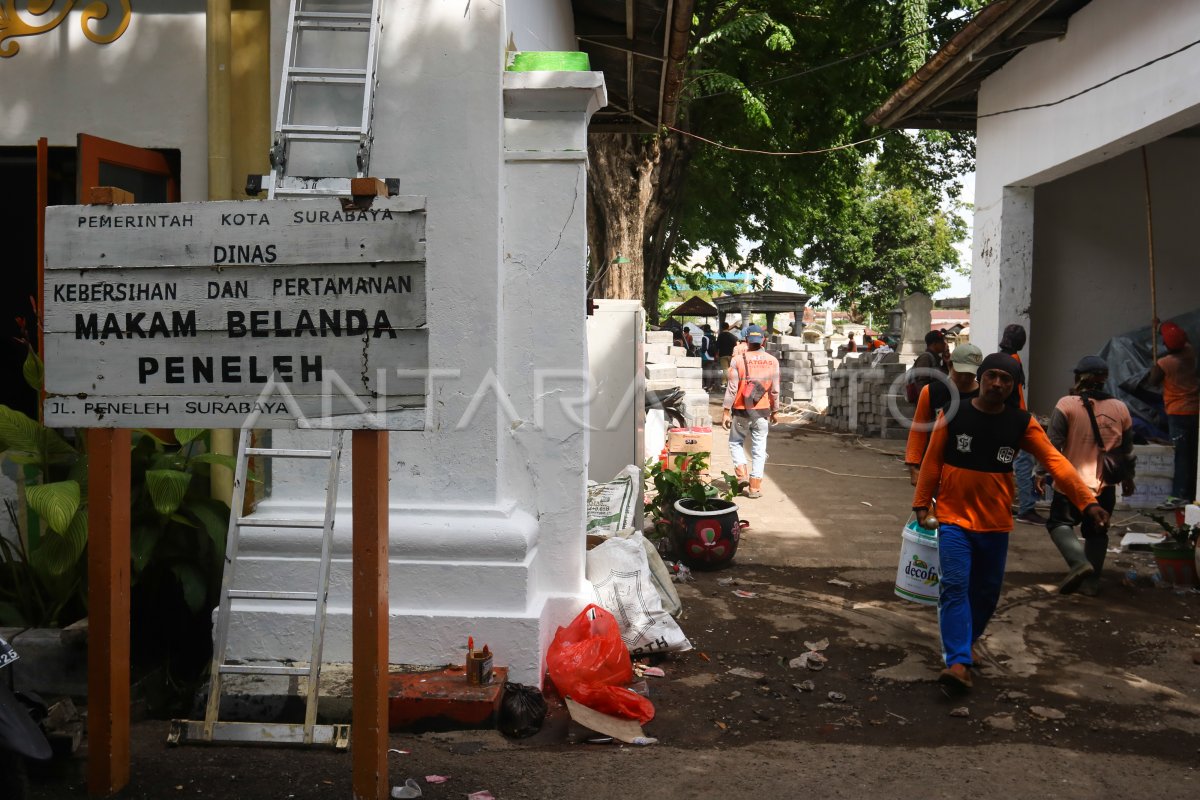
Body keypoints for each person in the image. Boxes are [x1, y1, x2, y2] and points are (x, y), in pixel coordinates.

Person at [913, 352, 1108, 692]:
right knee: (955, 587)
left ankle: (964, 644)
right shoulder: (953, 413)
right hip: (954, 519)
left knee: (986, 594)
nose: (998, 384)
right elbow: (932, 461)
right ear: (982, 377)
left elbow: (1056, 463)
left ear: (1013, 386)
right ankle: (958, 662)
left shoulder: (1021, 423)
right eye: (992, 377)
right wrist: (921, 503)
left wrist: (1086, 502)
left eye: (1006, 380)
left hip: (995, 524)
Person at [1039, 355, 1134, 596]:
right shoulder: (1121, 408)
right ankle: (1091, 584)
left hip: (1070, 483)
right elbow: (1126, 450)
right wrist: (1128, 478)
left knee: (1059, 523)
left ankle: (1079, 563)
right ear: (1104, 380)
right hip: (1105, 484)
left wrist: (1039, 472)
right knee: (1098, 530)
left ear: (1078, 378)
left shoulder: (1066, 404)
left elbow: (1051, 446)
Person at [904, 343, 983, 485]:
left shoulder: (984, 396)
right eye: (961, 372)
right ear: (950, 364)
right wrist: (913, 465)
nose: (965, 378)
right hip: (936, 467)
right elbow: (918, 429)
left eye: (970, 374)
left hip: (974, 470)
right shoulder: (931, 392)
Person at [722, 324, 780, 499]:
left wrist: (725, 410)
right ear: (763, 340)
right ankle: (754, 487)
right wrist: (775, 410)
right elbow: (775, 390)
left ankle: (742, 476)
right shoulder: (772, 361)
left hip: (741, 410)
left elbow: (732, 388)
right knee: (759, 448)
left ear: (747, 340)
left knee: (735, 442)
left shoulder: (738, 360)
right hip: (762, 411)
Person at [1147, 321, 1199, 506]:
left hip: (1178, 412)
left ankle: (1179, 496)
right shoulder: (1190, 353)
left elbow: (1153, 381)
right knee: (1193, 454)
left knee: (1182, 456)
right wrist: (1160, 326)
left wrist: (1155, 365)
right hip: (1194, 409)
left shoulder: (1165, 363)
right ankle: (1193, 492)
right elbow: (1180, 338)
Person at [1000, 323, 1046, 525]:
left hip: (1005, 418)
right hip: (1015, 419)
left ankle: (1002, 504)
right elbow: (1015, 395)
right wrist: (1024, 418)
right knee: (1023, 462)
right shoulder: (1013, 362)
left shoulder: (1001, 358)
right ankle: (1026, 508)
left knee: (1004, 463)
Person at [700, 323, 719, 392]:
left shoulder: (704, 338)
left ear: (704, 330)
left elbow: (704, 348)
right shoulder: (713, 337)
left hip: (705, 357)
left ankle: (705, 386)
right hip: (712, 357)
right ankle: (709, 386)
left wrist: (701, 353)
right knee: (710, 372)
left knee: (705, 372)